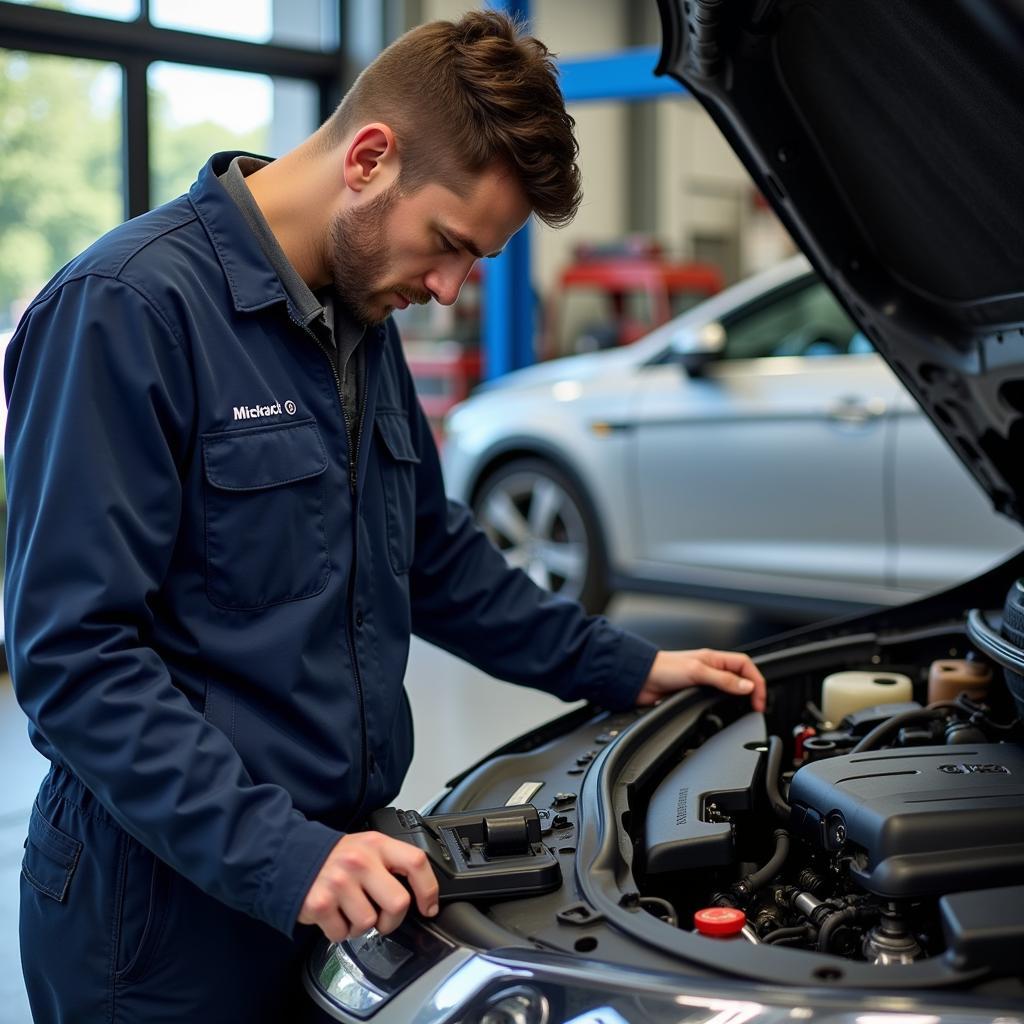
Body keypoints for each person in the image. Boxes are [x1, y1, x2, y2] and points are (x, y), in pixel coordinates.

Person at [4, 10, 766, 1023]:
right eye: (448, 244)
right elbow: (73, 655)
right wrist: (280, 853)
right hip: (157, 923)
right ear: (369, 157)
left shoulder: (357, 315)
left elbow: (432, 555)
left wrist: (627, 666)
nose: (448, 288)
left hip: (339, 872)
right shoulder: (126, 308)